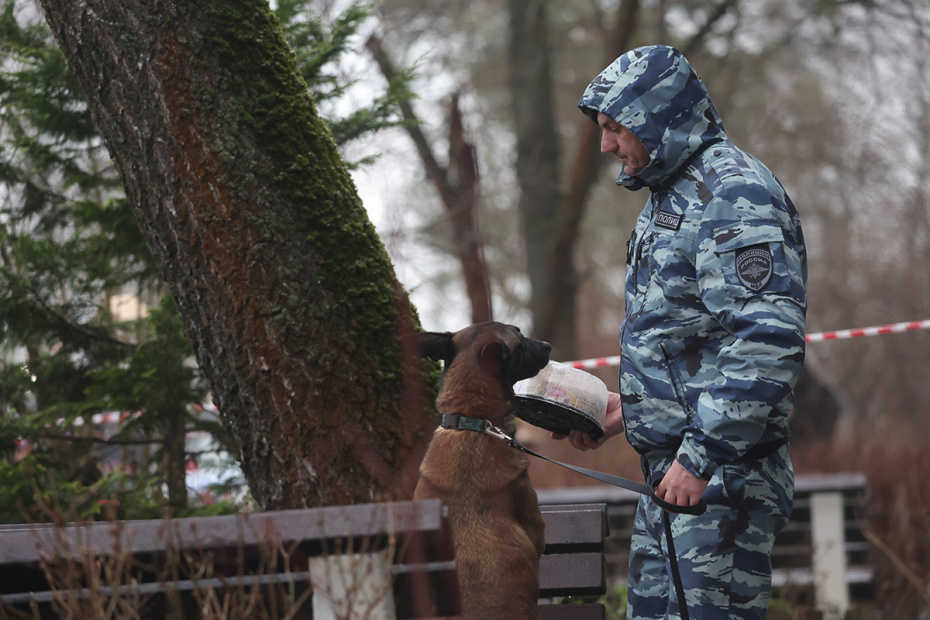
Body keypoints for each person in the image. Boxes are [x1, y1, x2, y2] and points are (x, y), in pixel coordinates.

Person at [554, 45, 808, 619]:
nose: (605, 144)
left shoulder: (733, 194)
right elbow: (687, 342)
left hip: (720, 483)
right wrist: (627, 412)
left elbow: (766, 341)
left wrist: (700, 456)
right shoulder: (671, 196)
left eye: (615, 127)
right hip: (676, 479)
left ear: (657, 114)